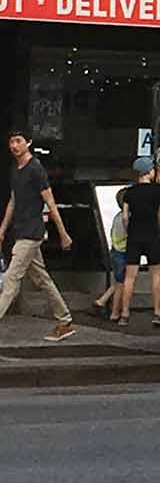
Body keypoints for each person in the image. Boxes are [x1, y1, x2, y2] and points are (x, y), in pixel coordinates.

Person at [0, 129, 76, 341]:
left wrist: (63, 233)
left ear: (28, 142)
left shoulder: (36, 169)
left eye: (18, 141)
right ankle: (65, 320)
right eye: (11, 141)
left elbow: (50, 203)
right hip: (22, 230)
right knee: (42, 279)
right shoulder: (16, 169)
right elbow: (13, 201)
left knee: (11, 278)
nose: (14, 146)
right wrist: (2, 229)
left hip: (31, 233)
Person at [119, 157, 160, 328]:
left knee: (130, 276)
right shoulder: (158, 192)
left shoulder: (129, 193)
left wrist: (130, 229)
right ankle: (157, 313)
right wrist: (157, 228)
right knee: (155, 274)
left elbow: (125, 217)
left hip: (134, 235)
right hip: (152, 234)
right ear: (149, 172)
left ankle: (124, 314)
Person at [92, 188, 129, 322]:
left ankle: (103, 301)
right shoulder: (126, 219)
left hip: (115, 251)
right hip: (122, 253)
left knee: (119, 281)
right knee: (121, 282)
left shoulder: (117, 217)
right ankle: (112, 310)